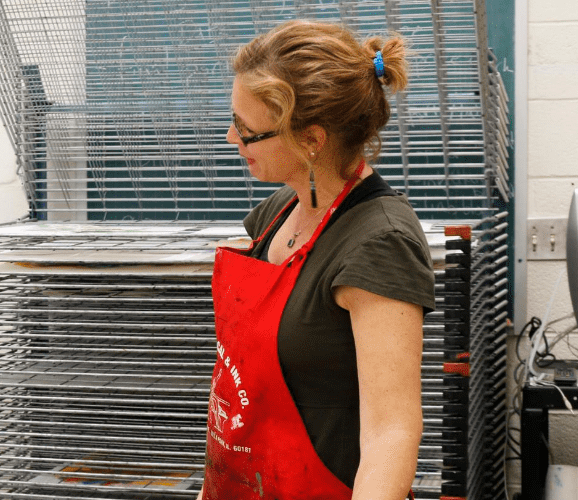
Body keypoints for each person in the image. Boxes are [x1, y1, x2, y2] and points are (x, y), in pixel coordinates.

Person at [201, 20, 434, 500]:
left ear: (311, 139)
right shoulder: (278, 212)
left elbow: (391, 434)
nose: (231, 139)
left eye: (247, 132)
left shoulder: (379, 243)